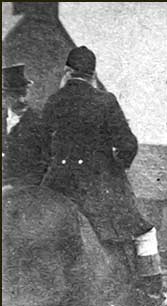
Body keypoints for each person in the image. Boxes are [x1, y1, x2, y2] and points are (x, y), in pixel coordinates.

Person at [40, 46, 158, 285]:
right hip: (99, 187)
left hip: (56, 185)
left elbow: (41, 145)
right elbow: (128, 145)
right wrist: (116, 166)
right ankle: (152, 291)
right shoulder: (105, 100)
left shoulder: (53, 101)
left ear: (67, 72)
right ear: (93, 74)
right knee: (145, 233)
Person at [2, 64, 49, 188]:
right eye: (15, 95)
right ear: (3, 96)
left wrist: (14, 186)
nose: (22, 100)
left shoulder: (39, 123)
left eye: (24, 93)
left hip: (23, 191)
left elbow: (44, 168)